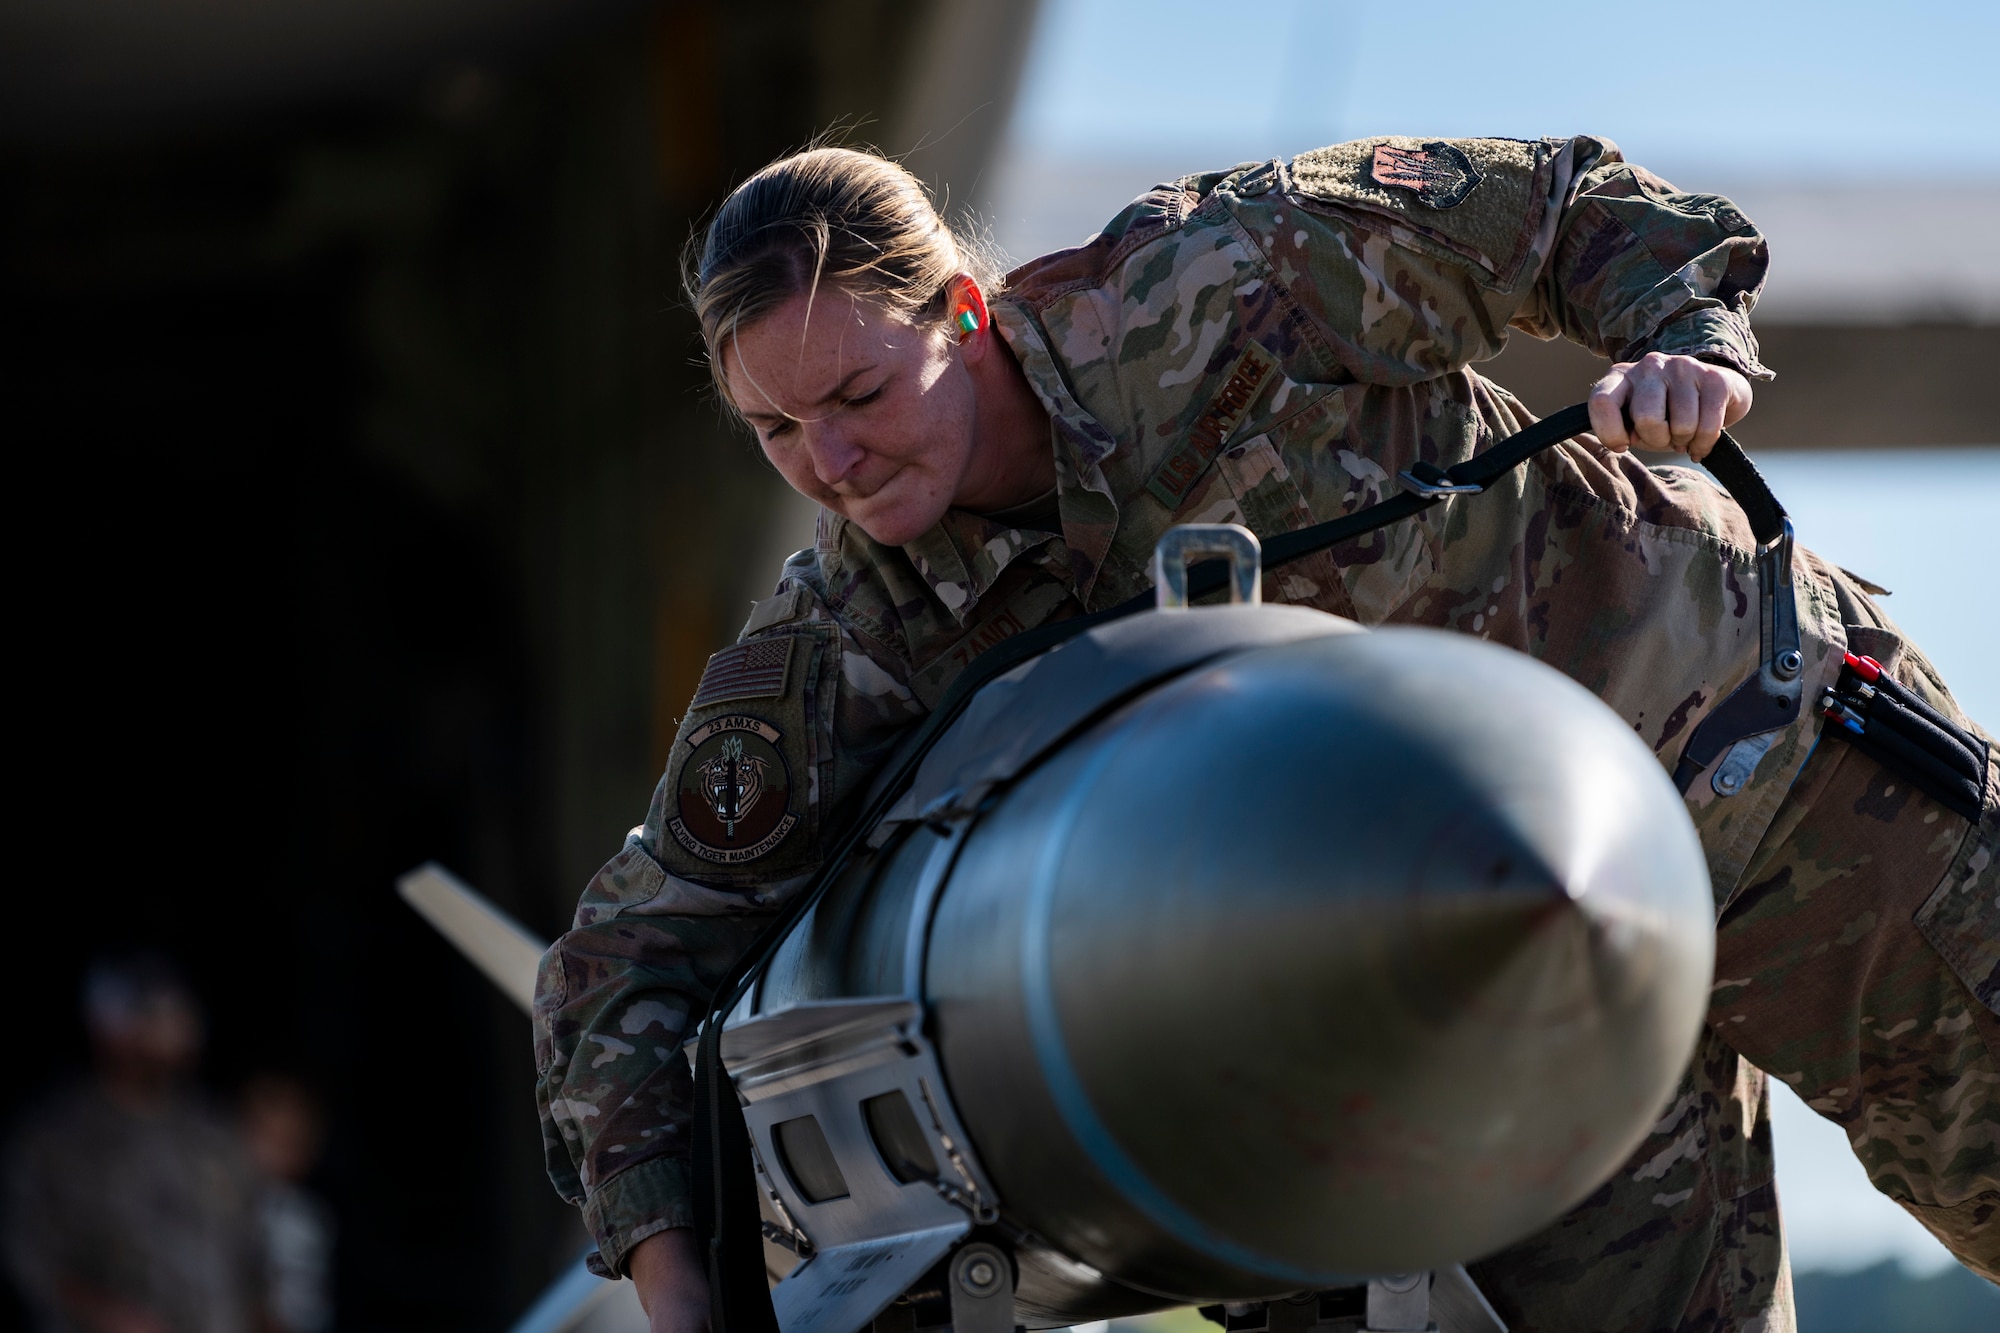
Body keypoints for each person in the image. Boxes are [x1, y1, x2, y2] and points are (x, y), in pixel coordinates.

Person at [531, 138, 1998, 1332]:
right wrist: (683, 1298)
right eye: (777, 432)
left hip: (1765, 793)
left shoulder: (1227, 275)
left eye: (857, 395)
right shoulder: (856, 634)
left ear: (964, 315)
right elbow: (624, 969)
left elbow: (1567, 209)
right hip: (1499, 1005)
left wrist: (1686, 347)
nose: (831, 465)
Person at [3, 955, 268, 1333]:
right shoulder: (54, 1137)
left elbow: (252, 1253)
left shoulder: (214, 1134)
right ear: (108, 1028)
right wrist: (104, 1314)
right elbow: (29, 1258)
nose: (175, 1030)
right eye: (153, 1016)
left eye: (178, 1016)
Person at [239, 1076, 334, 1333]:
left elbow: (301, 1301)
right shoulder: (223, 1198)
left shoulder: (299, 1217)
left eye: (288, 1142)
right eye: (265, 1137)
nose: (270, 1153)